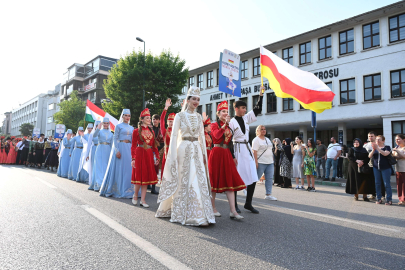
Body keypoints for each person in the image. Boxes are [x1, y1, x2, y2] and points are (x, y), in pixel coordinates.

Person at [156, 87, 215, 226]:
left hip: (196, 150)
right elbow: (175, 135)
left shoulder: (199, 117)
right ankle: (181, 211)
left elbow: (201, 136)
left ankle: (199, 214)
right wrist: (173, 156)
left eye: (198, 99)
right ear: (187, 100)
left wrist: (203, 154)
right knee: (184, 179)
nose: (196, 102)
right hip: (183, 148)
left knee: (197, 179)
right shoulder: (179, 116)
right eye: (193, 99)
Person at [229, 86, 264, 214]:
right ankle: (235, 205)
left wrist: (261, 96)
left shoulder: (245, 118)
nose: (245, 110)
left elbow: (257, 109)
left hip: (247, 148)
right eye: (243, 108)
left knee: (253, 176)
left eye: (245, 108)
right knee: (237, 178)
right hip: (237, 149)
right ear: (236, 108)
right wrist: (232, 156)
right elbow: (228, 140)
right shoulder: (231, 122)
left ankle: (248, 203)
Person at [209, 100, 246, 219]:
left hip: (226, 154)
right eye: (223, 111)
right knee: (214, 181)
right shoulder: (214, 125)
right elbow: (216, 136)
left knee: (230, 181)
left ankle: (233, 211)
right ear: (218, 113)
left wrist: (233, 156)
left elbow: (230, 142)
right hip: (217, 153)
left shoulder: (229, 126)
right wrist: (224, 125)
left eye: (226, 111)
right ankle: (212, 207)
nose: (225, 113)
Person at [100, 109, 135, 198]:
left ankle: (129, 190)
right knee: (120, 169)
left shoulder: (132, 128)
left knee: (128, 169)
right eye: (125, 115)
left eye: (129, 116)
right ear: (122, 116)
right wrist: (117, 150)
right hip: (121, 148)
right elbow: (115, 138)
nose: (127, 117)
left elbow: (133, 140)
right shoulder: (118, 126)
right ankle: (119, 190)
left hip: (129, 149)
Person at [130, 109, 160, 207]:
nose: (149, 119)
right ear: (142, 119)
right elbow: (133, 146)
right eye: (147, 118)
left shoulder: (151, 131)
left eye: (149, 118)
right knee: (139, 176)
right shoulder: (136, 131)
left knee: (146, 178)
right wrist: (133, 158)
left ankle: (143, 200)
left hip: (149, 155)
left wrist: (157, 157)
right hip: (139, 154)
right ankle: (135, 195)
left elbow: (154, 146)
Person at [252, 125, 276, 200]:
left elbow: (270, 150)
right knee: (255, 178)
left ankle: (268, 194)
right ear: (258, 131)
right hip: (260, 162)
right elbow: (254, 152)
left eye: (264, 129)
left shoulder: (267, 139)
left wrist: (272, 158)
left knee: (269, 178)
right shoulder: (256, 140)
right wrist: (256, 162)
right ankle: (247, 190)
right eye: (261, 129)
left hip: (270, 162)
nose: (263, 130)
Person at [89, 119, 113, 191]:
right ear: (102, 124)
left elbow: (112, 144)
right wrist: (98, 128)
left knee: (105, 166)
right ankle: (98, 184)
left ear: (109, 124)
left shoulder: (111, 134)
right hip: (99, 149)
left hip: (108, 150)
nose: (105, 125)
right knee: (99, 166)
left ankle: (104, 183)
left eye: (107, 123)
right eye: (104, 123)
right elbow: (94, 135)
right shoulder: (99, 131)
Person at [369, 135, 392, 205]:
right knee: (377, 183)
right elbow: (369, 156)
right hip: (376, 168)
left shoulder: (387, 147)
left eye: (379, 140)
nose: (377, 141)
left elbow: (385, 154)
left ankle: (389, 199)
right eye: (376, 140)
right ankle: (379, 198)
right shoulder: (374, 148)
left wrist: (378, 149)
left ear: (383, 141)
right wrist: (373, 149)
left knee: (386, 184)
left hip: (386, 168)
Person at [364, 131, 385, 201]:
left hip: (378, 165)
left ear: (375, 137)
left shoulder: (379, 144)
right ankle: (373, 194)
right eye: (369, 136)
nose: (370, 137)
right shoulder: (366, 145)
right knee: (372, 180)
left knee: (381, 181)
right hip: (369, 165)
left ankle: (382, 195)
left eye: (372, 136)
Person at [160, 99, 176, 188]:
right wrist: (165, 108)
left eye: (173, 121)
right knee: (166, 175)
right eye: (170, 121)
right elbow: (161, 119)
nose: (171, 123)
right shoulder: (164, 131)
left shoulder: (178, 132)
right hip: (167, 155)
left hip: (175, 154)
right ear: (167, 122)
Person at [151, 113, 164, 194]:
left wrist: (156, 149)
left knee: (155, 170)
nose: (155, 121)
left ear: (159, 121)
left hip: (155, 152)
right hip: (147, 151)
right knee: (148, 168)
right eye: (153, 119)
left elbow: (162, 143)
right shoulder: (149, 129)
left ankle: (153, 187)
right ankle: (148, 185)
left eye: (156, 119)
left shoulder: (160, 131)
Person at [392, 134, 405, 205]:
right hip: (398, 169)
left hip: (404, 169)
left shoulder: (397, 148)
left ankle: (404, 199)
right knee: (399, 185)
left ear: (404, 139)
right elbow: (394, 157)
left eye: (398, 139)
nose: (397, 141)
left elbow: (403, 156)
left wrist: (397, 152)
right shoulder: (396, 147)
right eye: (396, 140)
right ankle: (401, 199)